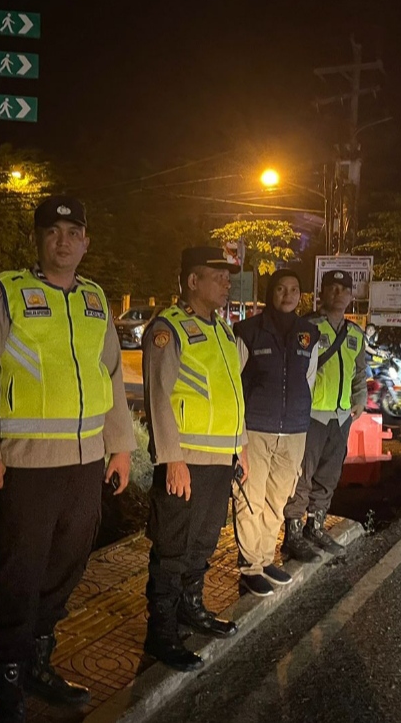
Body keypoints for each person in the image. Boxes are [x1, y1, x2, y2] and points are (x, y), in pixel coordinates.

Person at [0, 195, 133, 723]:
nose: (63, 241)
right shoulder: (7, 292)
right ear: (38, 239)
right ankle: (10, 681)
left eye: (73, 232)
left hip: (85, 462)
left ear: (86, 241)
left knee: (67, 563)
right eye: (53, 231)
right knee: (21, 570)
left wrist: (122, 446)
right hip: (27, 464)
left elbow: (110, 376)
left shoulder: (93, 299)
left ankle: (39, 659)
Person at [142, 246, 248, 672]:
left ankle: (191, 608)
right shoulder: (169, 329)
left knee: (202, 541)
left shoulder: (222, 332)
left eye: (228, 277)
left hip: (219, 459)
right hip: (185, 461)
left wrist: (238, 449)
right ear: (192, 282)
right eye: (217, 276)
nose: (227, 283)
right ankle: (161, 631)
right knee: (172, 547)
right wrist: (172, 458)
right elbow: (158, 397)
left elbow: (231, 396)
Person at [233, 268, 321, 595]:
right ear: (272, 293)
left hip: (295, 430)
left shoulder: (308, 334)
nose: (287, 295)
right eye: (281, 289)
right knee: (249, 499)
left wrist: (301, 419)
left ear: (301, 295)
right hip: (256, 427)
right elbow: (234, 383)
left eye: (294, 290)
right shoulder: (248, 331)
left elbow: (307, 381)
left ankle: (267, 558)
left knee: (278, 500)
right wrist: (238, 431)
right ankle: (250, 567)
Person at [282, 270, 367, 560]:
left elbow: (360, 373)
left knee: (328, 476)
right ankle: (292, 534)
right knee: (302, 476)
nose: (339, 293)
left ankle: (314, 527)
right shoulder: (307, 327)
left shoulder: (355, 334)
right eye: (333, 288)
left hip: (341, 417)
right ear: (322, 293)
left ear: (351, 296)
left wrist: (360, 399)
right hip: (311, 416)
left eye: (345, 289)